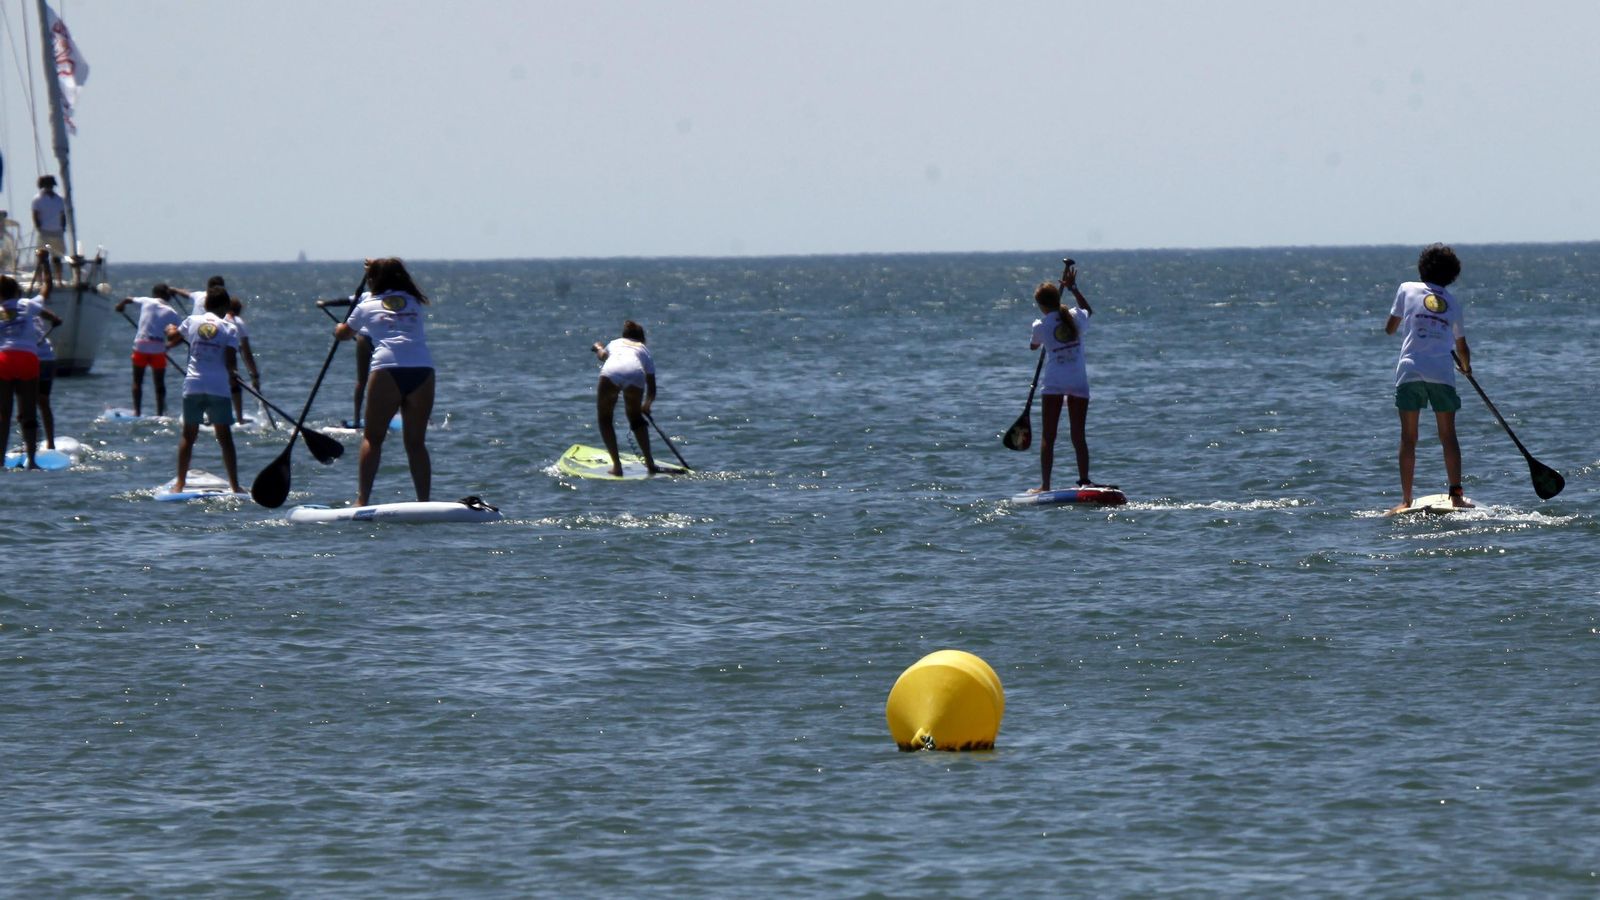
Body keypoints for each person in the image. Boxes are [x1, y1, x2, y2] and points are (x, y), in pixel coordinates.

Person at [333, 257, 433, 506]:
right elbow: (392, 293)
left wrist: (337, 327)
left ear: (373, 280)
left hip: (387, 368)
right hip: (423, 370)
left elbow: (345, 335)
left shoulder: (367, 304)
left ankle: (362, 500)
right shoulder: (414, 300)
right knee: (416, 443)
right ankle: (424, 501)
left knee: (373, 439)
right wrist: (375, 270)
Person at [1385, 243, 1472, 513]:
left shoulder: (1406, 289)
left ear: (1422, 268)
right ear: (1452, 276)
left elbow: (1390, 329)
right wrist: (1466, 369)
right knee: (1448, 436)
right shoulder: (1453, 302)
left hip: (1410, 370)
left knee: (1408, 437)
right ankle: (1456, 495)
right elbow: (1462, 347)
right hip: (1442, 373)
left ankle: (1406, 500)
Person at [1026, 261, 1100, 493]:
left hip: (1055, 383)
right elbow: (1089, 310)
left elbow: (1033, 346)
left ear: (1040, 305)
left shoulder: (1041, 324)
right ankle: (1084, 480)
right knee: (1078, 435)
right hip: (1079, 381)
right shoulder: (1076, 316)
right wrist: (1074, 288)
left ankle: (1045, 485)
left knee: (1049, 436)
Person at [164, 285, 242, 493]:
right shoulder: (230, 328)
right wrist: (234, 375)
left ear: (205, 304)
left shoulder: (191, 321)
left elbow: (173, 338)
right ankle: (235, 486)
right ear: (226, 306)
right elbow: (230, 362)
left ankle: (180, 484)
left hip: (193, 384)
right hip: (218, 387)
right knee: (225, 438)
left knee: (188, 436)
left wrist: (169, 329)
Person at [0, 249, 62, 468]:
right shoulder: (26, 305)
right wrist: (45, 265)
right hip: (27, 358)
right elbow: (47, 289)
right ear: (17, 291)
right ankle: (33, 462)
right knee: (28, 412)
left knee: (4, 414)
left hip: (4, 359)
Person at [590, 319, 668, 477]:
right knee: (635, 418)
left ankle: (617, 467)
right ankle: (650, 463)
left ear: (624, 335)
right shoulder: (644, 351)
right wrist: (647, 405)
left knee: (605, 419)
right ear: (642, 338)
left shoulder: (615, 343)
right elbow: (652, 388)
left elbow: (602, 356)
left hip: (612, 372)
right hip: (635, 373)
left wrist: (598, 347)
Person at [114, 286, 184, 417]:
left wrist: (120, 306)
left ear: (155, 294)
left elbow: (128, 299)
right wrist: (169, 345)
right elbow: (182, 334)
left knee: (137, 381)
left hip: (141, 346)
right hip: (158, 348)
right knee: (159, 383)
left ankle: (137, 412)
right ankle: (160, 414)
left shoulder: (146, 301)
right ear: (168, 297)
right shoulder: (172, 312)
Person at [226, 296, 263, 423]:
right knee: (235, 384)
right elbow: (247, 353)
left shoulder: (218, 319)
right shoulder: (238, 322)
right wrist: (255, 376)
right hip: (227, 363)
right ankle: (240, 419)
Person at [31, 175, 67, 283]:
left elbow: (62, 215)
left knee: (51, 258)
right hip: (49, 231)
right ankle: (47, 280)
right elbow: (35, 215)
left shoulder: (56, 199)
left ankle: (53, 280)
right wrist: (39, 227)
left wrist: (62, 227)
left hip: (52, 231)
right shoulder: (41, 199)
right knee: (48, 258)